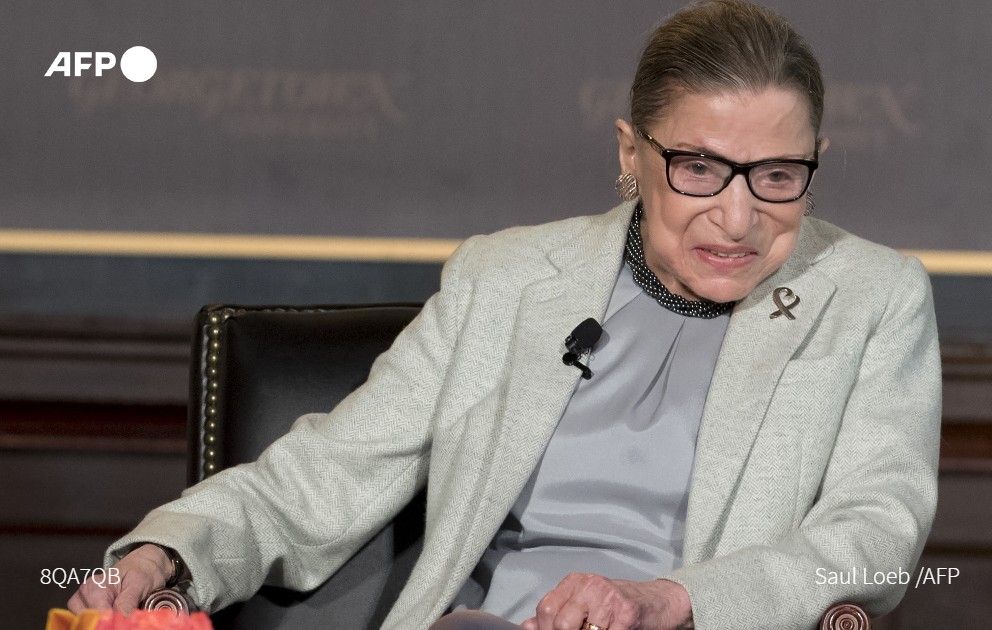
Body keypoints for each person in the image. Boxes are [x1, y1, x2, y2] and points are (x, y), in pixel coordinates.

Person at [69, 1, 941, 628]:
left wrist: (671, 601)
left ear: (816, 162)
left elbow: (875, 538)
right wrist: (168, 555)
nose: (739, 217)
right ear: (631, 154)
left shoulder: (872, 298)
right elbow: (322, 479)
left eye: (778, 176)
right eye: (700, 170)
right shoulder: (508, 279)